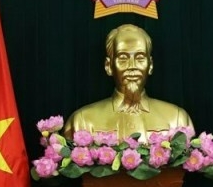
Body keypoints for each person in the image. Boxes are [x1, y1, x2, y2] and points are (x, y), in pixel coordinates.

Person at [63, 24, 193, 142]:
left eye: (140, 57)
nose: (132, 66)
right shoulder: (82, 121)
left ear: (151, 65)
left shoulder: (177, 119)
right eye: (123, 58)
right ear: (109, 66)